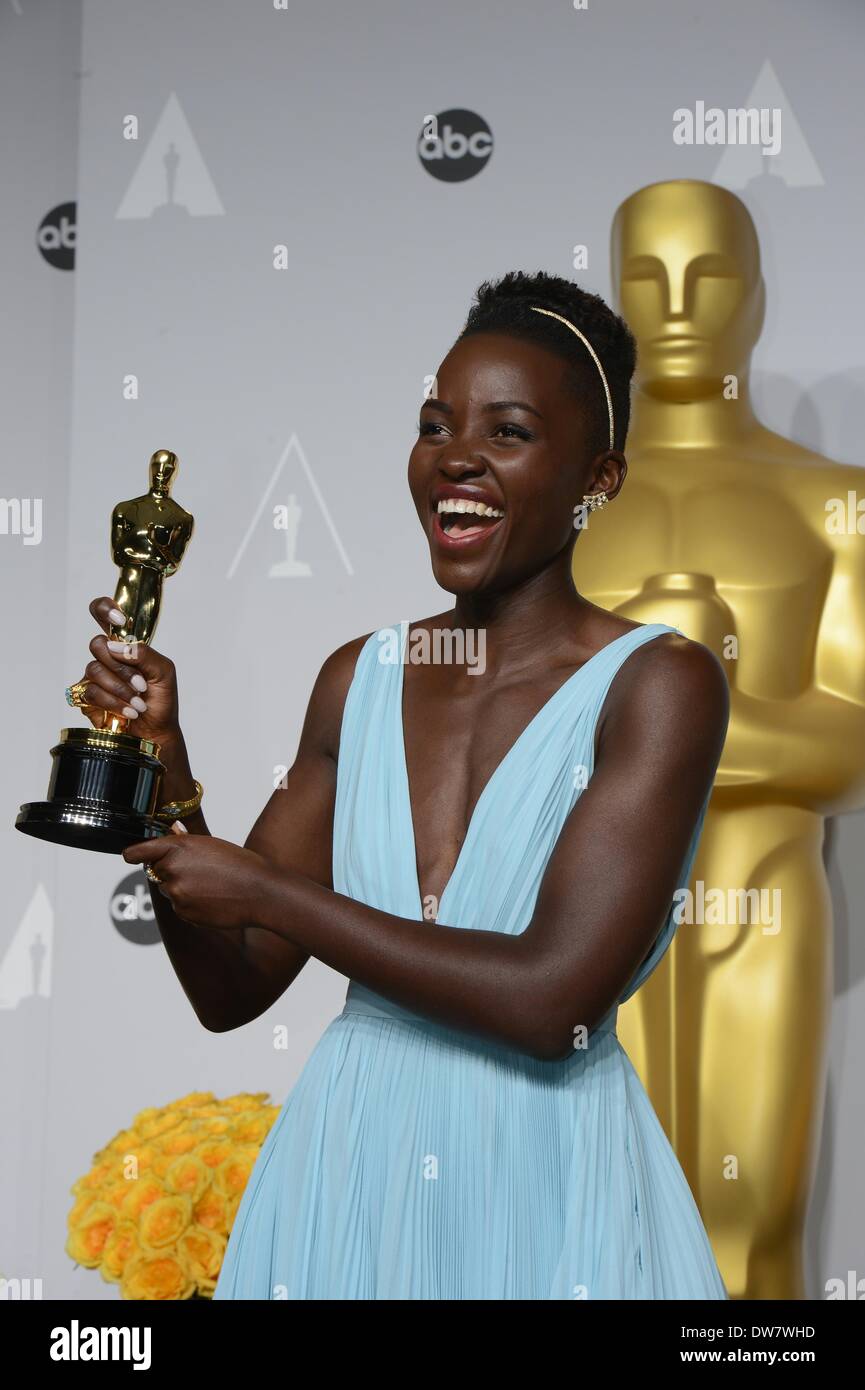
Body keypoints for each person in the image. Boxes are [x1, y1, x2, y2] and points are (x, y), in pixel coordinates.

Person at [80, 270, 729, 1299]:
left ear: (597, 477)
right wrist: (165, 759)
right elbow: (232, 985)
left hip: (542, 1183)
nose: (454, 457)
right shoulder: (357, 679)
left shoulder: (659, 684)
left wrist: (270, 892)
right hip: (348, 1177)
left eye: (506, 431)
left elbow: (548, 1000)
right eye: (435, 424)